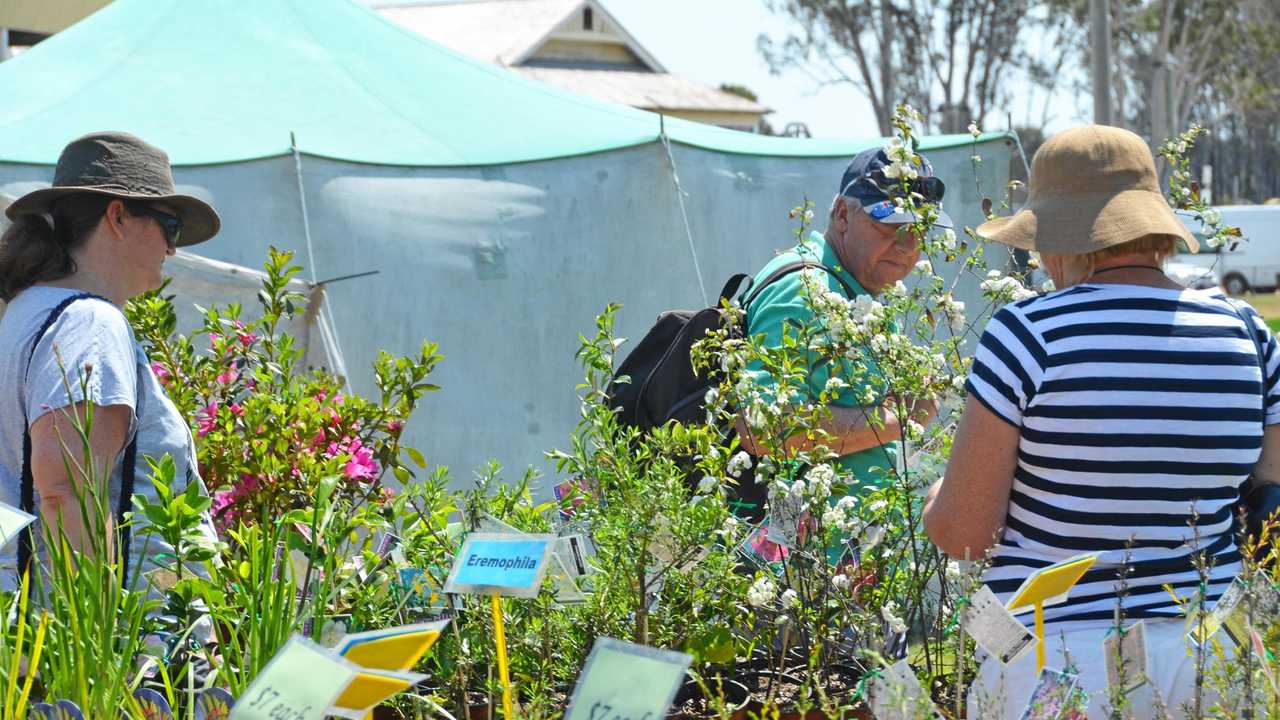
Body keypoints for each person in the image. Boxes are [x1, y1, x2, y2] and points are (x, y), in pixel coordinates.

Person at [923, 125, 1279, 717]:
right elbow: (1264, 501)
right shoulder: (1246, 334)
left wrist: (938, 494)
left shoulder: (1028, 335)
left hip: (1058, 661)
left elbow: (964, 534)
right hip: (1211, 652)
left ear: (1060, 238)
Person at [0, 131, 221, 590]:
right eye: (169, 226)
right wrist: (91, 648)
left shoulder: (26, 311)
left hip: (32, 632)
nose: (172, 249)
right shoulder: (89, 321)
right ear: (117, 216)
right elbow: (67, 493)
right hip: (104, 647)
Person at [733, 147, 950, 518]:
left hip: (840, 561)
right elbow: (761, 427)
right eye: (891, 226)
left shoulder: (858, 291)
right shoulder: (806, 291)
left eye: (919, 230)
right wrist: (901, 417)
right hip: (792, 565)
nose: (908, 246)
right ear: (842, 215)